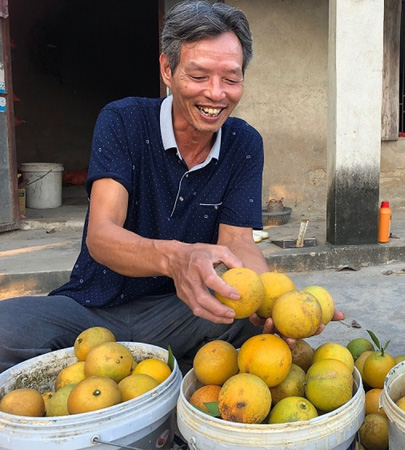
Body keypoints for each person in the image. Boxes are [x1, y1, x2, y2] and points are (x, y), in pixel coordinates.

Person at [0, 1, 341, 374]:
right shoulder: (124, 121)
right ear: (167, 69)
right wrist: (176, 258)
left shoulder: (244, 143)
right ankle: (170, 367)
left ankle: (173, 370)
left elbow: (238, 242)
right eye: (199, 76)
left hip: (184, 313)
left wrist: (277, 301)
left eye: (231, 78)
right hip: (95, 309)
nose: (216, 94)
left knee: (255, 325)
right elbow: (101, 235)